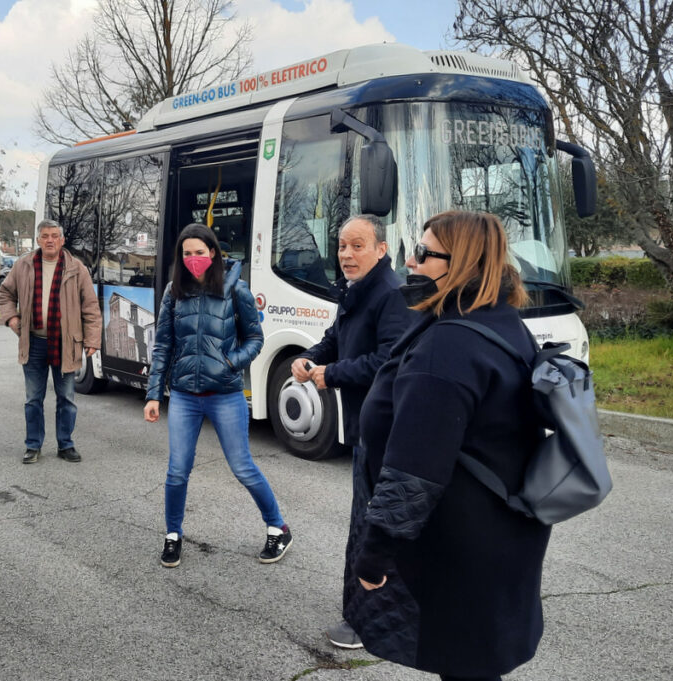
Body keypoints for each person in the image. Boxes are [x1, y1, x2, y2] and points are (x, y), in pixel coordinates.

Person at [343, 210, 551, 681]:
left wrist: (374, 553)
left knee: (465, 664)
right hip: (502, 528)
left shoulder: (447, 345)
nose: (410, 263)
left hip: (461, 543)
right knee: (475, 662)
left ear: (458, 263)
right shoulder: (502, 321)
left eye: (422, 253)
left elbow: (414, 469)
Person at [288, 214, 412, 651]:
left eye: (357, 246)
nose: (346, 254)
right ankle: (363, 617)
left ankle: (366, 623)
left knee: (370, 526)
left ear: (381, 249)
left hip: (382, 430)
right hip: (364, 427)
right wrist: (308, 358)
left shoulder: (391, 294)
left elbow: (388, 362)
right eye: (342, 245)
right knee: (364, 524)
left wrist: (330, 374)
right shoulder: (356, 291)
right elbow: (335, 338)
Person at [143, 223, 292, 568]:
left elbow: (255, 338)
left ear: (212, 252)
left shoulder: (236, 290)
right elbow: (163, 344)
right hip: (183, 395)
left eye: (199, 252)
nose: (193, 259)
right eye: (187, 253)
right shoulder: (173, 292)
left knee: (242, 466)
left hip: (224, 393)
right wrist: (154, 394)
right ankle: (173, 535)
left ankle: (278, 527)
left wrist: (231, 362)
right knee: (177, 470)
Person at [0, 219, 101, 464]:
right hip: (33, 343)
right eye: (45, 236)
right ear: (38, 240)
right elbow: (5, 295)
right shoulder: (23, 265)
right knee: (33, 398)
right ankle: (33, 445)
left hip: (66, 343)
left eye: (55, 235)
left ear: (62, 240)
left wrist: (92, 338)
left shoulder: (77, 268)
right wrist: (12, 319)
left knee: (67, 398)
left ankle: (66, 445)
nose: (50, 240)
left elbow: (91, 307)